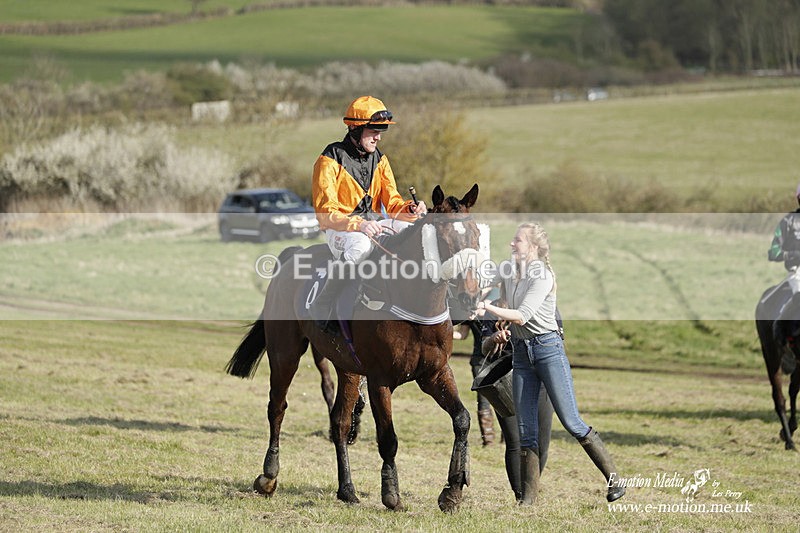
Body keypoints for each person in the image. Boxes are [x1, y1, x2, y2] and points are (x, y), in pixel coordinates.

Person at [475, 222, 625, 505]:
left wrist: (489, 307)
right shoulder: (511, 271)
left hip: (548, 350)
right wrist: (486, 298)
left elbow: (522, 314)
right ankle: (527, 502)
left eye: (517, 241)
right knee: (526, 430)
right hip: (521, 354)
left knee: (571, 421)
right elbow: (494, 285)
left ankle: (615, 479)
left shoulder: (542, 275)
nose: (511, 244)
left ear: (532, 247)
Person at [309, 96, 427, 333]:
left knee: (414, 234)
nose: (379, 136)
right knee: (361, 247)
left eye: (381, 131)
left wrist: (410, 210)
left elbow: (392, 202)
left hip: (373, 225)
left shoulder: (379, 159)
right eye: (374, 131)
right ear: (355, 129)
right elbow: (325, 214)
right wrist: (359, 225)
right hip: (340, 230)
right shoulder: (329, 159)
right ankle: (323, 304)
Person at [474, 301, 555, 503]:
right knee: (515, 441)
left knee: (542, 443)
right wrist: (494, 339)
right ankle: (522, 498)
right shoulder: (494, 311)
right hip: (507, 380)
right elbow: (484, 349)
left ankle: (530, 490)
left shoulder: (545, 305)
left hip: (543, 377)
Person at [767, 183, 800, 373]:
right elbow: (774, 252)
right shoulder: (788, 222)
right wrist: (795, 253)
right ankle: (783, 339)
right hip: (797, 272)